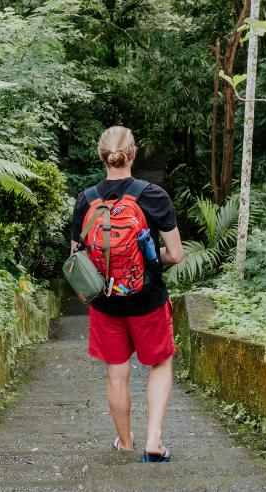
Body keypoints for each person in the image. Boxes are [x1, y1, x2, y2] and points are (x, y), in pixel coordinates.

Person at [70, 125, 183, 463]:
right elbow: (176, 255)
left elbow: (76, 259)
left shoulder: (86, 199)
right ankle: (154, 440)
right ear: (133, 154)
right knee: (160, 363)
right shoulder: (154, 196)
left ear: (102, 156)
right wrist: (146, 259)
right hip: (148, 300)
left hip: (106, 303)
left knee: (116, 374)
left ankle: (125, 443)